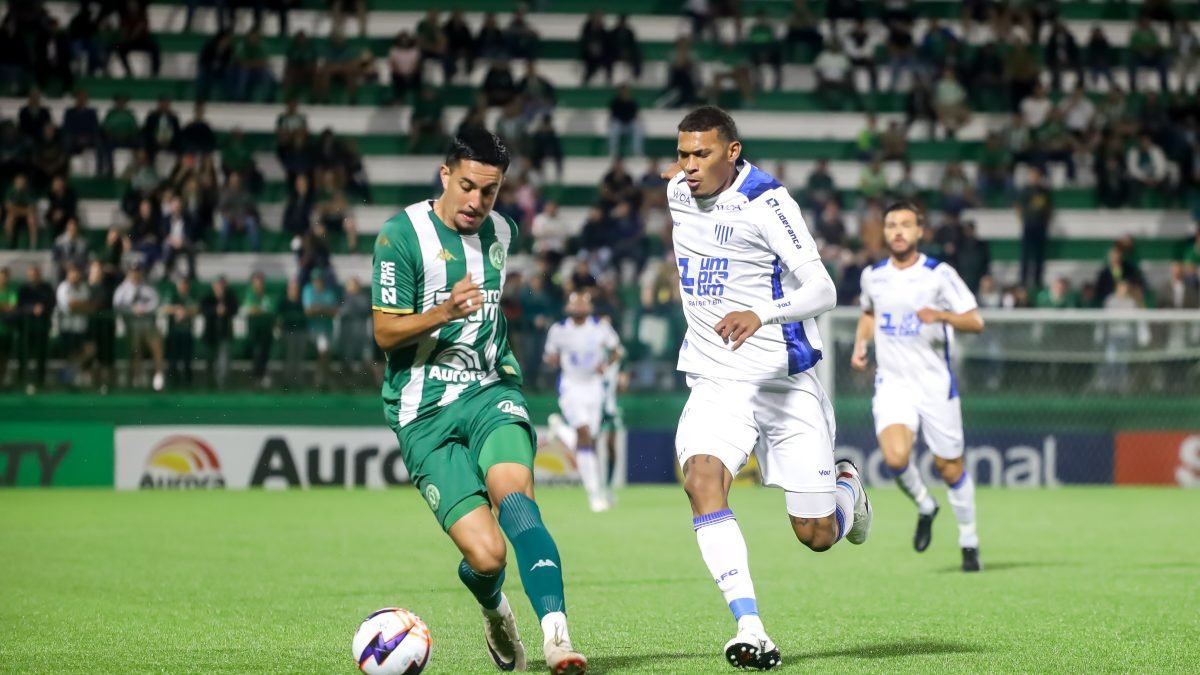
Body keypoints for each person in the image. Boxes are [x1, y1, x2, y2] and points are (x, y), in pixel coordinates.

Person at [370, 129, 587, 674]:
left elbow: (490, 312)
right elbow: (383, 333)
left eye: (489, 192)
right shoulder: (399, 236)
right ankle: (493, 607)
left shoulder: (502, 232)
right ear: (445, 174)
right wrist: (442, 312)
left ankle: (556, 637)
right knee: (487, 556)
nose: (476, 202)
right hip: (423, 412)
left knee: (515, 497)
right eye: (467, 186)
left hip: (491, 390)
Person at [664, 106, 871, 670]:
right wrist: (683, 171)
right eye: (682, 154)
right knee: (702, 481)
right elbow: (687, 183)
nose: (688, 167)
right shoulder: (679, 191)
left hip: (782, 382)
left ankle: (846, 489)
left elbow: (824, 290)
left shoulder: (769, 203)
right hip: (716, 380)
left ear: (733, 152)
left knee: (817, 535)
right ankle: (750, 626)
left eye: (701, 154)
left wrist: (761, 312)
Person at [851, 201, 985, 572]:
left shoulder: (939, 274)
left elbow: (975, 321)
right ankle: (926, 505)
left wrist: (941, 315)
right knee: (895, 458)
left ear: (919, 231)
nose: (897, 231)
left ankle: (969, 542)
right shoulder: (872, 276)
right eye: (891, 224)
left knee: (950, 468)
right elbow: (868, 313)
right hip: (893, 384)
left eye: (905, 225)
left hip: (934, 385)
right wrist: (861, 344)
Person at [542, 291, 623, 512]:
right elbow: (549, 356)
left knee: (590, 440)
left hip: (594, 387)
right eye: (574, 304)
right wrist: (553, 360)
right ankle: (594, 495)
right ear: (568, 308)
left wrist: (605, 364)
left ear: (589, 307)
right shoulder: (558, 330)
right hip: (571, 387)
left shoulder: (600, 327)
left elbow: (616, 350)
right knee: (585, 435)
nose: (578, 308)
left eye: (582, 304)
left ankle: (561, 432)